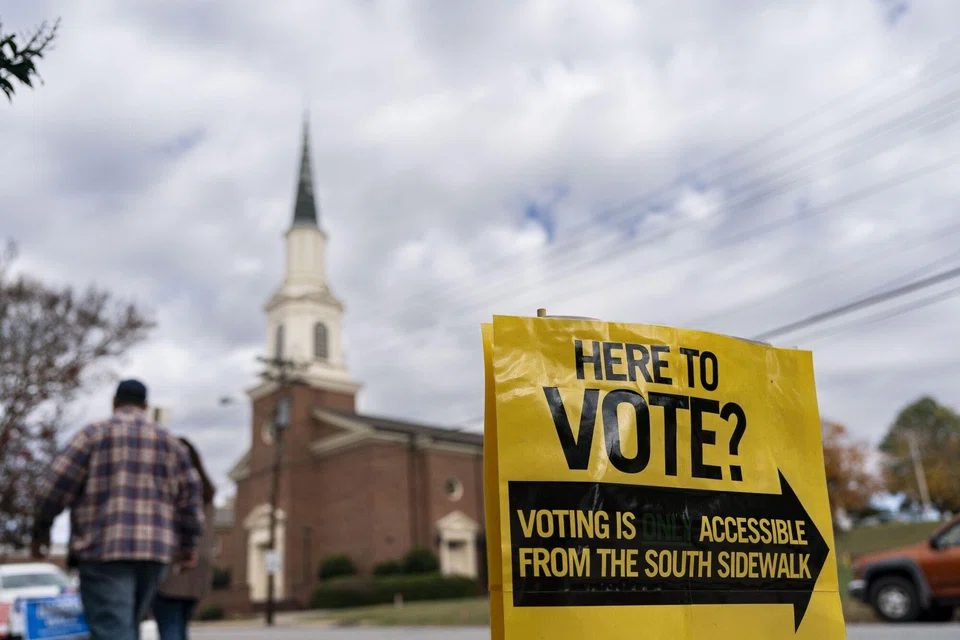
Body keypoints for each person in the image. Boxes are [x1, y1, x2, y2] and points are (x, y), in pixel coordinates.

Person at [31, 379, 205, 640]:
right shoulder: (170, 443)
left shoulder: (93, 435)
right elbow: (190, 498)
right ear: (145, 406)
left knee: (113, 628)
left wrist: (41, 529)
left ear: (114, 402)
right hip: (154, 552)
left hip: (103, 549)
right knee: (126, 626)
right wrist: (189, 545)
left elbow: (56, 485)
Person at [151, 437, 216, 640]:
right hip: (200, 569)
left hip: (175, 564)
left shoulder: (174, 488)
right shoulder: (207, 492)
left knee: (169, 625)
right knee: (180, 626)